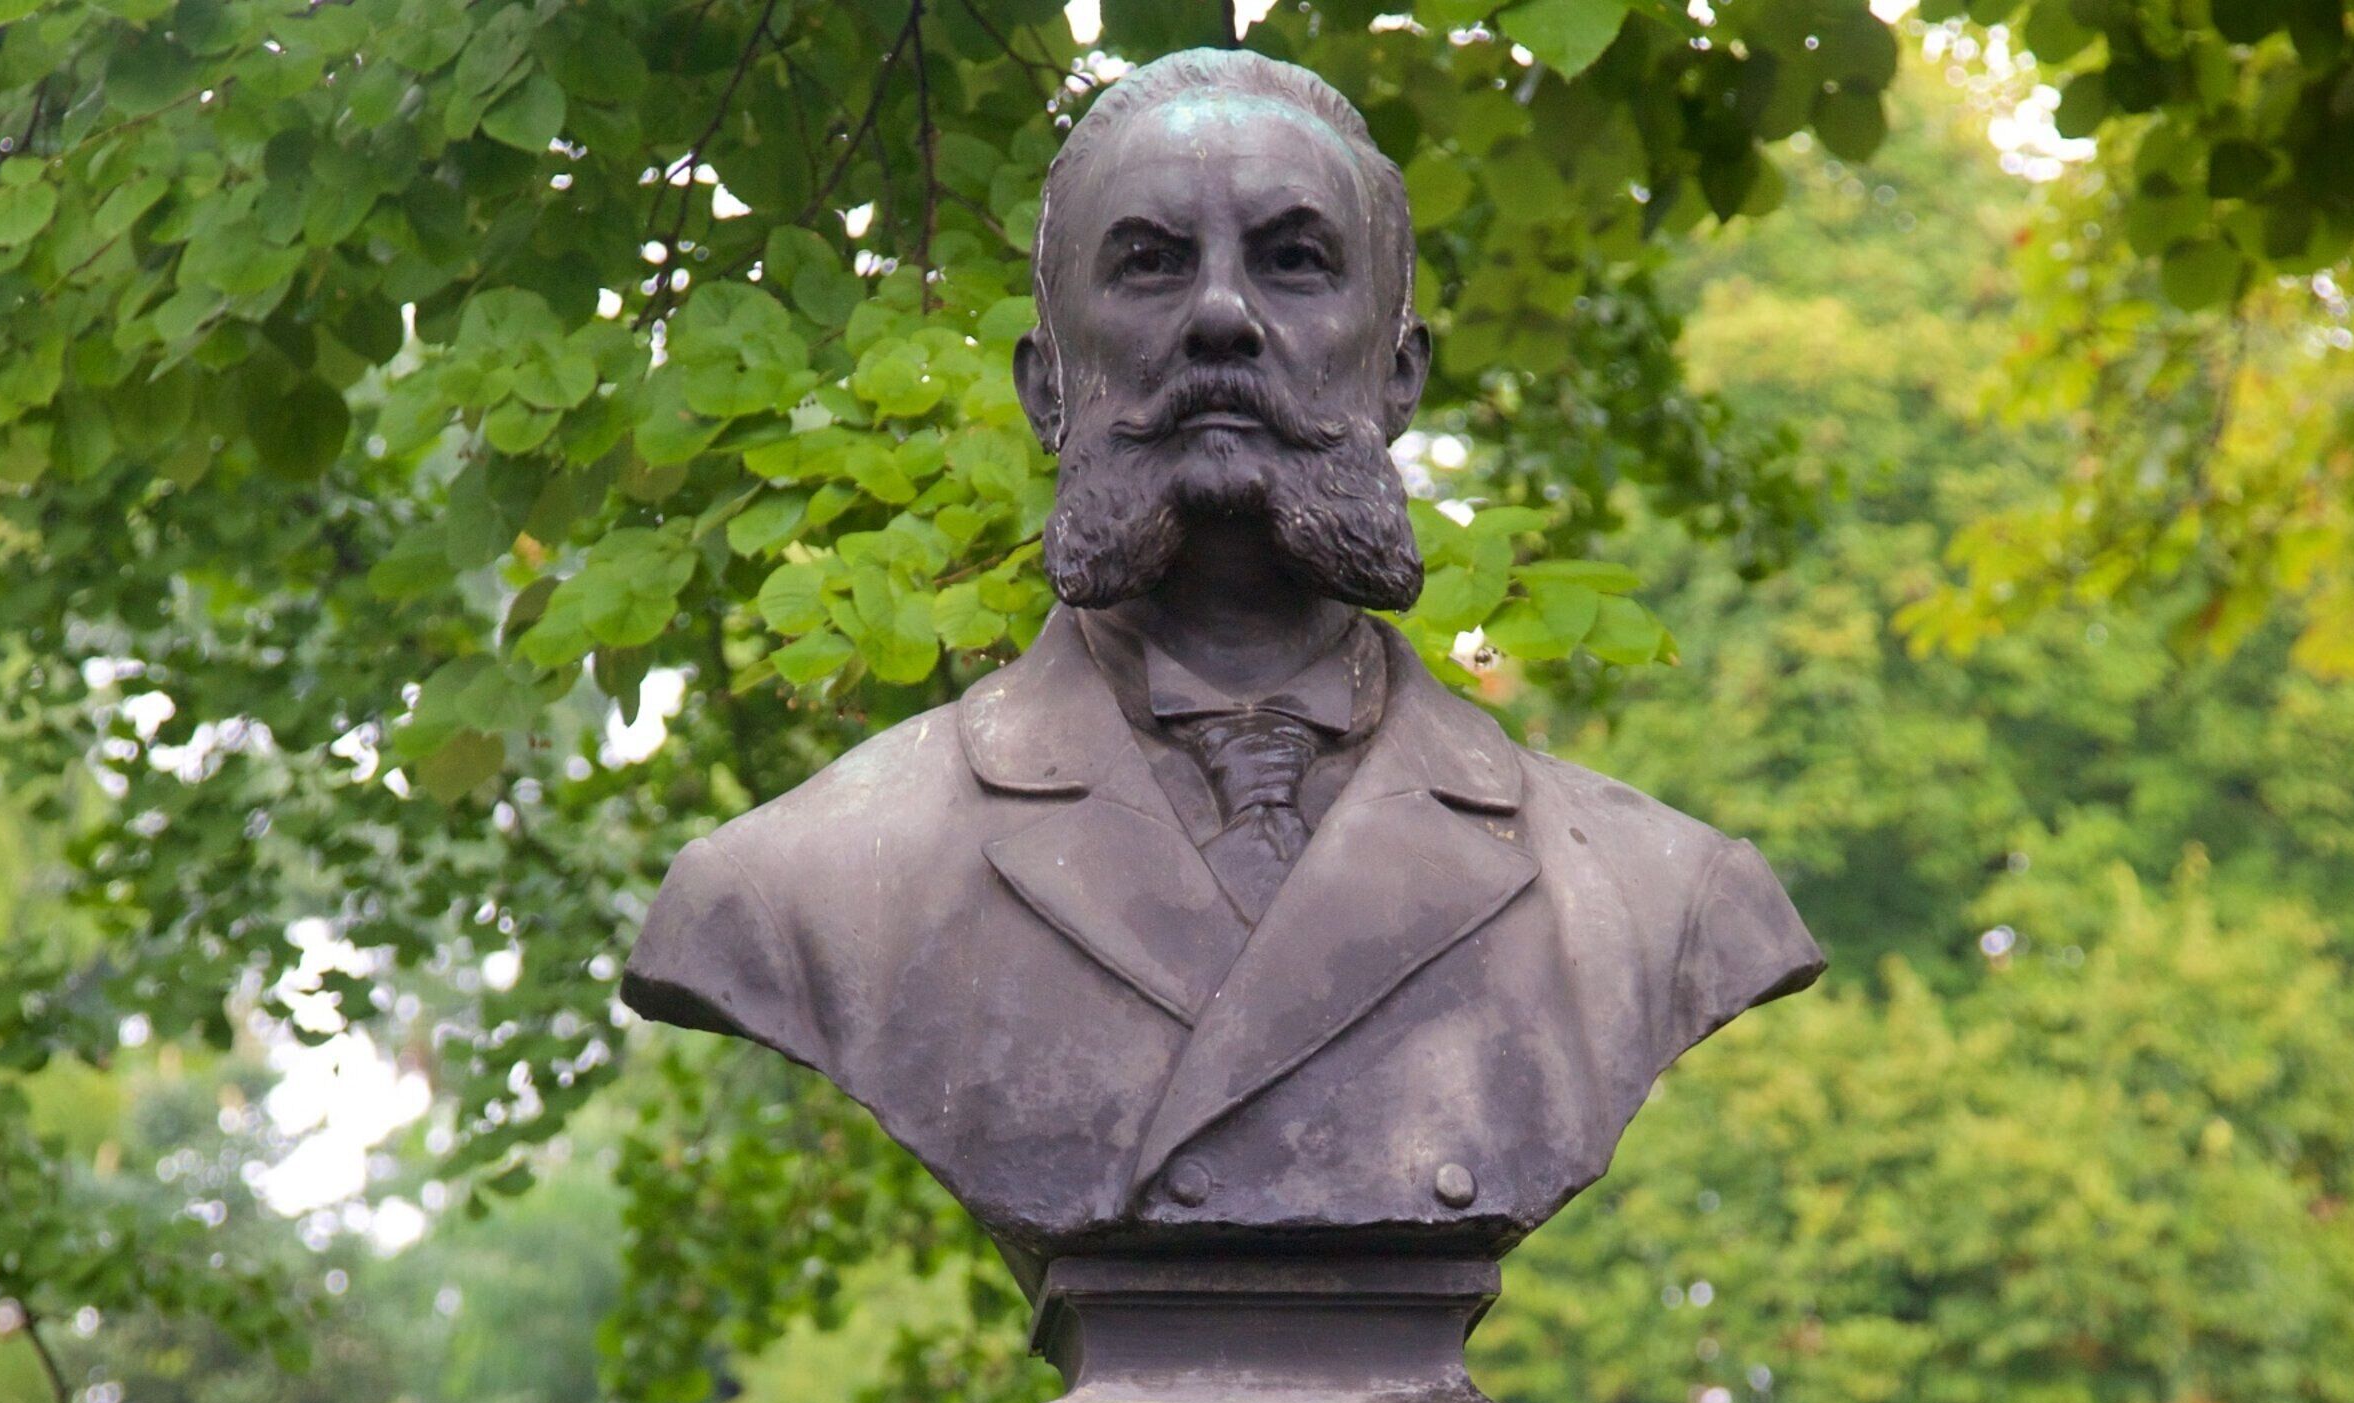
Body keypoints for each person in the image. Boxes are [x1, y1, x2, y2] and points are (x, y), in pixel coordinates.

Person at [623, 49, 1822, 1272]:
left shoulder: (1658, 901)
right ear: (1047, 388)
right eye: (1148, 264)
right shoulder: (801, 890)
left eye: (1294, 260)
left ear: (1399, 375)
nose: (1220, 316)